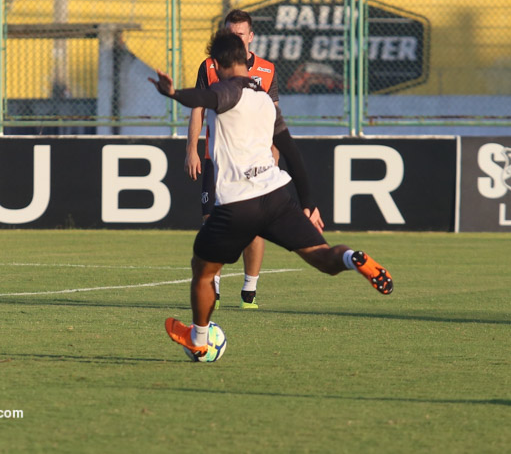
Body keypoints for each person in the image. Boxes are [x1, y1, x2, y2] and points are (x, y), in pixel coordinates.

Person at [150, 30, 392, 359]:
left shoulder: (226, 88)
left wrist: (175, 93)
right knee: (322, 257)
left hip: (239, 203)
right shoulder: (264, 97)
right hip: (277, 196)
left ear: (220, 64)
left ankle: (199, 336)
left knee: (203, 271)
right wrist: (308, 203)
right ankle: (354, 259)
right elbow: (292, 151)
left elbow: (203, 99)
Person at [185, 9, 316, 310]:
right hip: (216, 160)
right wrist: (191, 149)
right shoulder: (210, 66)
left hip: (256, 161)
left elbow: (274, 115)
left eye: (240, 34)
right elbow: (197, 109)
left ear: (251, 37)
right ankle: (213, 287)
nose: (235, 38)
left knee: (255, 227)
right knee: (211, 219)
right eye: (231, 34)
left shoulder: (267, 70)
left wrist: (275, 154)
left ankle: (249, 289)